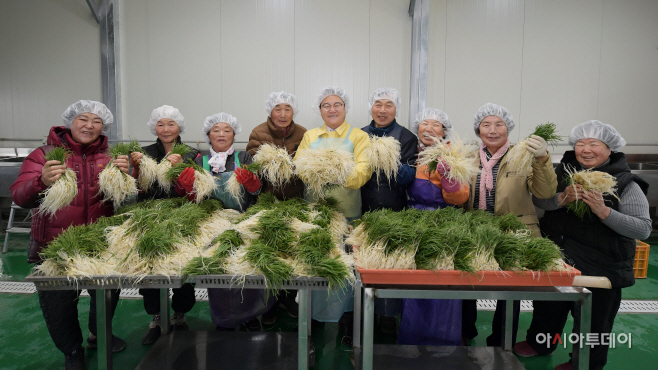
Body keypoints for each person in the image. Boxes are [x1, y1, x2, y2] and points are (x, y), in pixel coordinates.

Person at [513, 120, 651, 370]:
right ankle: (540, 343)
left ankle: (584, 362)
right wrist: (561, 199)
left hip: (602, 263)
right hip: (558, 255)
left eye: (594, 144)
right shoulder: (562, 174)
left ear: (610, 149)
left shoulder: (626, 183)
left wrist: (603, 211)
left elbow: (642, 228)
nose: (586, 149)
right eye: (580, 144)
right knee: (547, 309)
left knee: (594, 319)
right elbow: (542, 202)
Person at [10, 100, 129, 370]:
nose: (89, 125)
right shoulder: (44, 154)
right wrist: (41, 181)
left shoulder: (109, 157)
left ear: (104, 126)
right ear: (70, 122)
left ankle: (98, 334)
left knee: (107, 295)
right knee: (59, 304)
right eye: (83, 119)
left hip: (99, 243)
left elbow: (124, 198)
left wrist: (126, 176)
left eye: (96, 121)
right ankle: (72, 350)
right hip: (54, 245)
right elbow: (19, 195)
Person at [462, 103, 557, 347]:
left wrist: (543, 159)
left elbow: (545, 192)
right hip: (477, 232)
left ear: (508, 128)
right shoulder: (469, 157)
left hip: (515, 232)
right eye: (486, 125)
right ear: (478, 130)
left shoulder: (522, 155)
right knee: (468, 285)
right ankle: (465, 335)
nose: (492, 130)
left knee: (510, 292)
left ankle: (501, 342)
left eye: (499, 124)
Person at [178, 112, 270, 331]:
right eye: (216, 130)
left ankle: (250, 316)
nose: (221, 134)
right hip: (212, 223)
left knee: (245, 268)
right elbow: (196, 197)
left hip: (242, 221)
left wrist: (252, 185)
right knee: (218, 272)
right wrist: (190, 190)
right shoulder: (199, 160)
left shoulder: (244, 158)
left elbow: (257, 192)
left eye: (227, 130)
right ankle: (223, 318)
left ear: (234, 134)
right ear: (208, 135)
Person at [294, 86, 371, 344]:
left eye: (337, 104)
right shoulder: (310, 136)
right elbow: (301, 167)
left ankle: (348, 321)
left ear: (345, 108)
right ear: (320, 110)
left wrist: (336, 173)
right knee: (315, 263)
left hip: (347, 212)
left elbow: (364, 171)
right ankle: (313, 319)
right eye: (326, 105)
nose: (332, 109)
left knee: (346, 269)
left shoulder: (358, 136)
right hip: (315, 212)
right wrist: (319, 171)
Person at [129, 105, 200, 345]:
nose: (166, 129)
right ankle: (157, 319)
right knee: (151, 266)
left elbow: (197, 188)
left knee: (182, 264)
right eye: (160, 124)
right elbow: (139, 188)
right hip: (150, 216)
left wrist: (180, 166)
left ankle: (180, 317)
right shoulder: (144, 152)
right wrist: (137, 167)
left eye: (171, 124)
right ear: (154, 128)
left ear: (179, 127)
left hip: (183, 216)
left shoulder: (192, 153)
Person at [397, 107, 468, 346]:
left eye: (435, 124)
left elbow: (461, 198)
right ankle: (411, 338)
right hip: (414, 220)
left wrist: (449, 182)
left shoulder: (453, 155)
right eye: (424, 123)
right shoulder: (410, 153)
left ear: (444, 130)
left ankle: (443, 341)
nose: (429, 128)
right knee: (415, 281)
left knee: (443, 280)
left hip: (444, 222)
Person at [360, 87, 417, 335]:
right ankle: (359, 316)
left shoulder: (406, 137)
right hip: (363, 209)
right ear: (371, 107)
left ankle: (387, 317)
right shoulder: (359, 135)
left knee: (390, 266)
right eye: (378, 104)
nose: (383, 110)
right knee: (362, 265)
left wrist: (387, 159)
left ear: (396, 109)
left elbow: (408, 176)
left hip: (394, 210)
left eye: (389, 105)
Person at [246, 91, 306, 326]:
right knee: (269, 252)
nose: (282, 114)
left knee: (291, 252)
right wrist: (270, 163)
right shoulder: (258, 132)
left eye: (288, 109)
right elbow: (253, 163)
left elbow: (307, 163)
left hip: (294, 201)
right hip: (268, 201)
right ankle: (269, 303)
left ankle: (288, 298)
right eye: (278, 109)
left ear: (294, 112)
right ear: (270, 111)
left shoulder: (303, 133)